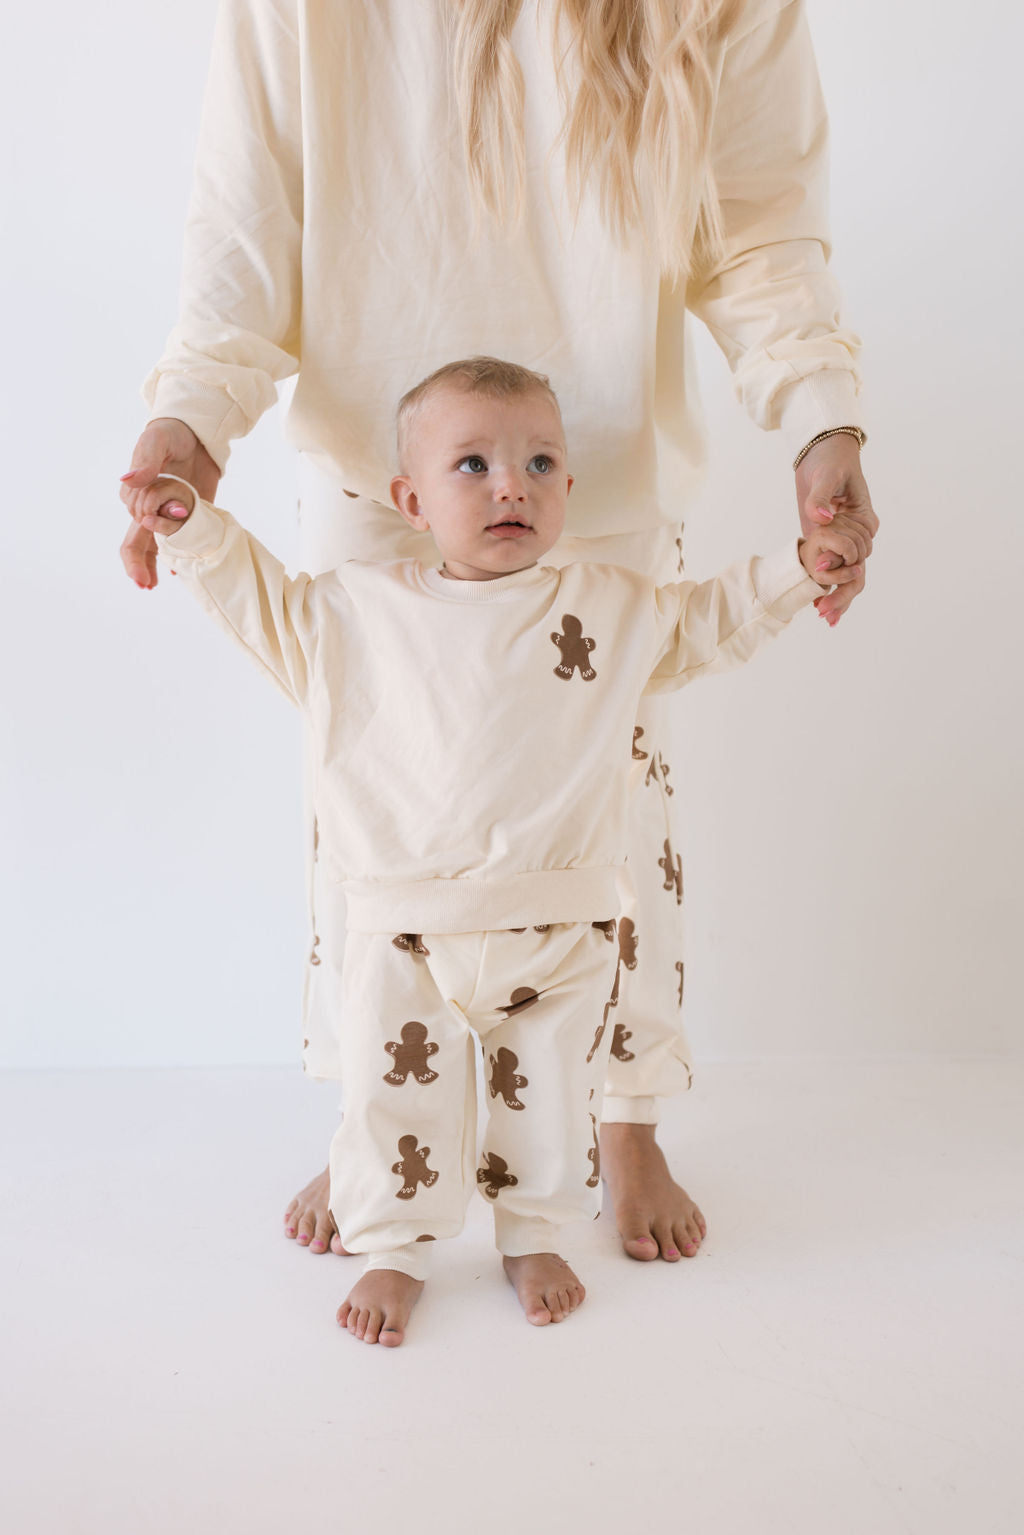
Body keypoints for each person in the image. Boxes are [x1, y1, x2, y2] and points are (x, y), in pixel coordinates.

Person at [119, 0, 877, 1265]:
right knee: (375, 814)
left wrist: (823, 420)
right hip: (381, 466)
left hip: (595, 473)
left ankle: (623, 1115)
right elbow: (251, 213)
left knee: (614, 822)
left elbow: (760, 225)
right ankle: (384, 1124)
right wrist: (191, 416)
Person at [136, 356, 858, 1344]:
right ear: (410, 498)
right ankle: (394, 1246)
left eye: (539, 462)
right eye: (471, 464)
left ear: (567, 488)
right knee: (394, 1094)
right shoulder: (356, 610)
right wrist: (192, 526)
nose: (509, 483)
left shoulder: (608, 607)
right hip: (405, 932)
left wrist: (792, 567)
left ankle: (531, 1230)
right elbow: (256, 595)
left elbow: (708, 620)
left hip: (558, 928)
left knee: (551, 1103)